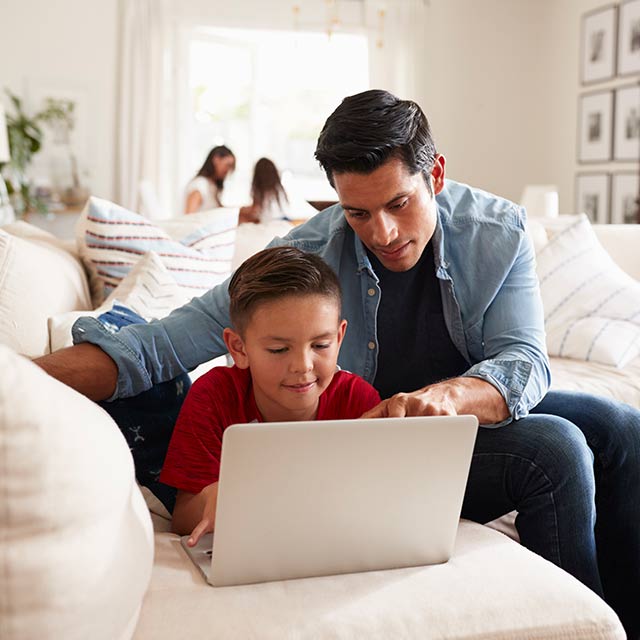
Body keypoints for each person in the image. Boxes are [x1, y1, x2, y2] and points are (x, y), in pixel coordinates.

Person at [35, 89, 640, 638]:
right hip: (367, 433)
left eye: (399, 203)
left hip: (456, 410)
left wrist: (450, 397)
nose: (382, 231)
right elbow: (160, 347)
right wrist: (21, 377)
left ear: (437, 174)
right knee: (557, 447)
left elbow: (525, 361)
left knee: (621, 427)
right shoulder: (301, 256)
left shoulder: (497, 231)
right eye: (358, 213)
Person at [160, 246, 380, 545]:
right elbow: (182, 518)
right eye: (278, 349)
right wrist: (213, 500)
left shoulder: (359, 401)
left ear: (339, 337)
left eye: (320, 345)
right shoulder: (214, 396)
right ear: (239, 348)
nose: (303, 366)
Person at [238, 157, 317, 224]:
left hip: (270, 221)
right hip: (284, 218)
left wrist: (242, 210)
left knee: (242, 217)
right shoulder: (279, 188)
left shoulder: (260, 191)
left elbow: (256, 211)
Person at [184, 145, 236, 213]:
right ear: (216, 159)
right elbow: (189, 216)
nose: (228, 170)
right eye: (227, 165)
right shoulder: (199, 185)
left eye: (231, 167)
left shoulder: (212, 186)